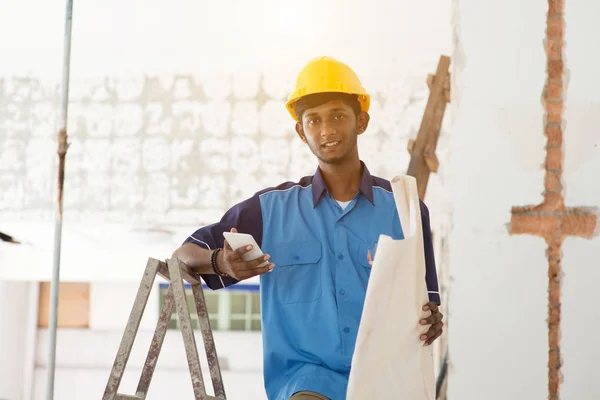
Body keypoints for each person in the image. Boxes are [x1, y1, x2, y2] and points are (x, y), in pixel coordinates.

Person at [172, 56, 444, 400]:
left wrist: (432, 319)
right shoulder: (269, 210)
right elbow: (181, 258)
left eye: (338, 116)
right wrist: (221, 263)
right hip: (306, 381)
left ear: (361, 122)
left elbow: (428, 305)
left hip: (386, 380)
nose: (327, 129)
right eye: (313, 120)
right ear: (302, 132)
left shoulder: (406, 209)